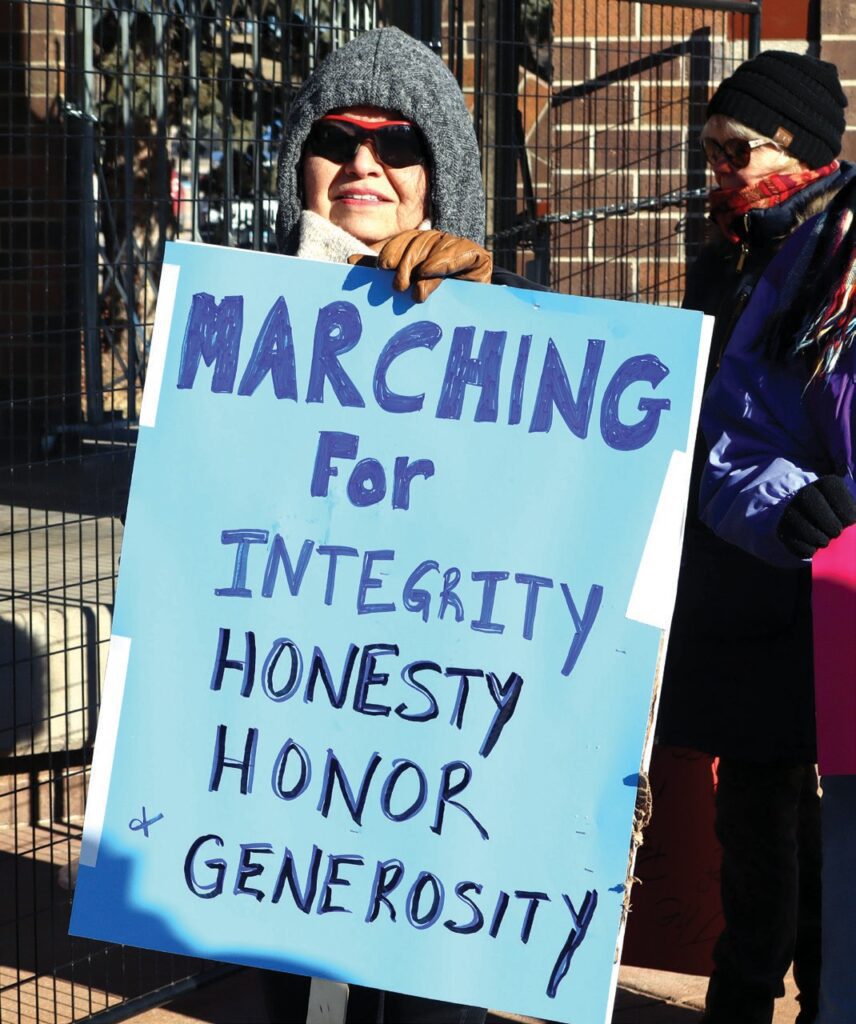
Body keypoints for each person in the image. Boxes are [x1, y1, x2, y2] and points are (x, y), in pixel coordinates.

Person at [264, 25, 543, 1024]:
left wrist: (475, 327)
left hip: (438, 757)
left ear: (442, 176)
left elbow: (530, 536)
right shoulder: (236, 329)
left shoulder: (502, 330)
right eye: (337, 137)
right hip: (283, 748)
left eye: (399, 143)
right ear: (301, 158)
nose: (364, 163)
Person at [654, 50, 854, 1024]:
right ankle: (743, 991)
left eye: (736, 153)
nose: (719, 174)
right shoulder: (724, 257)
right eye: (711, 155)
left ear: (802, 151)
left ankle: (817, 989)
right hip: (741, 571)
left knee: (823, 827)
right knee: (752, 815)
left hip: (820, 583)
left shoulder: (838, 264)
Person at [698, 172, 856, 1024]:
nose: (725, 171)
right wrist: (790, 497)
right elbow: (744, 430)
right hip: (812, 642)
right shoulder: (828, 254)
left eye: (741, 149)